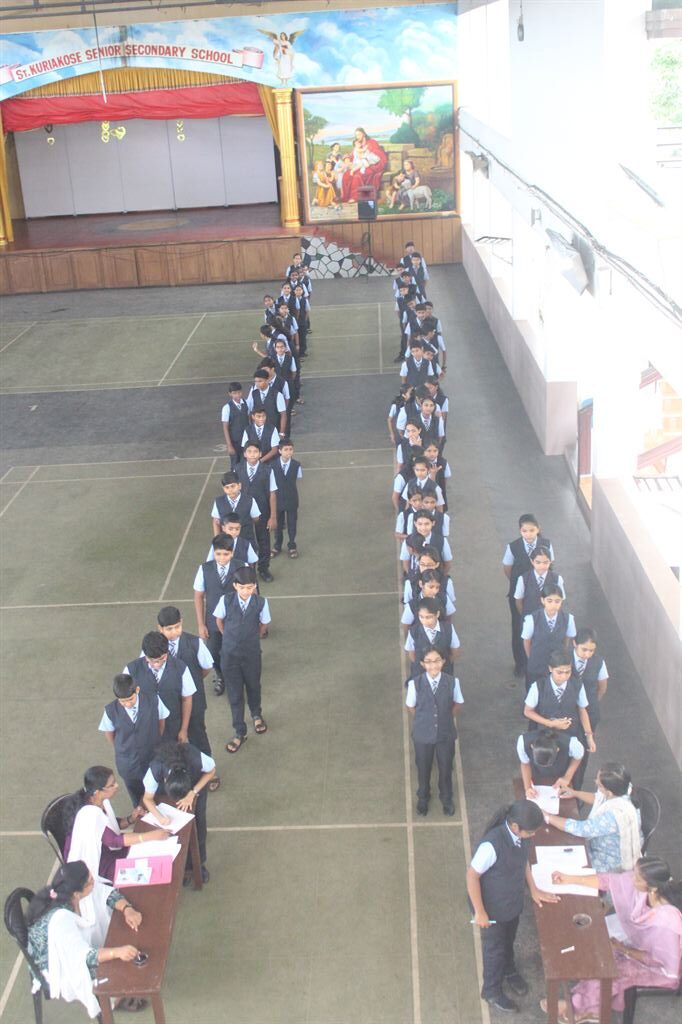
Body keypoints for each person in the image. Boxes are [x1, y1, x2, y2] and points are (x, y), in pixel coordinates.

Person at [543, 856, 682, 1023]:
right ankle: (586, 1004)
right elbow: (608, 881)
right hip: (637, 945)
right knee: (600, 952)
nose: (631, 878)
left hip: (659, 969)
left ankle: (580, 1007)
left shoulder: (667, 923)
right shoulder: (647, 889)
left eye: (637, 878)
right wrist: (568, 879)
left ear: (652, 888)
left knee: (610, 971)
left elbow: (658, 960)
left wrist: (623, 949)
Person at [467, 800, 558, 1013]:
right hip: (492, 909)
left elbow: (523, 860)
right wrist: (480, 912)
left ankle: (509, 969)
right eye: (531, 832)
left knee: (509, 939)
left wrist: (533, 889)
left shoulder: (522, 837)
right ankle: (491, 990)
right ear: (515, 827)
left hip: (511, 903)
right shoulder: (492, 845)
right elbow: (472, 876)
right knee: (494, 949)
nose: (533, 835)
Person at [26, 860, 142, 1018]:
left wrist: (127, 909)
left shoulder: (73, 890)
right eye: (90, 881)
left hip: (72, 947)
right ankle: (111, 999)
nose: (93, 881)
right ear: (76, 894)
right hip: (56, 963)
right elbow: (84, 957)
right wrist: (117, 952)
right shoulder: (61, 922)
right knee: (112, 966)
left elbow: (106, 893)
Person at [63, 766, 169, 882]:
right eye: (112, 785)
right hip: (96, 863)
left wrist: (130, 819)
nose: (117, 786)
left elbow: (110, 826)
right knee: (148, 874)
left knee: (147, 853)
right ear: (98, 792)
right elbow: (114, 840)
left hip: (108, 849)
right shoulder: (90, 814)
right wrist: (151, 836)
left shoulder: (98, 800)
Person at [156, 605, 220, 790]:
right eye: (169, 629)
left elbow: (206, 667)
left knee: (198, 736)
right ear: (160, 628)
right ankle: (177, 774)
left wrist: (191, 684)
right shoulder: (154, 647)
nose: (174, 632)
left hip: (195, 703)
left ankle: (208, 770)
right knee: (171, 740)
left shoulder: (195, 643)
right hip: (168, 706)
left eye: (177, 627)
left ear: (182, 623)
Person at [544, 763, 642, 872]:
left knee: (565, 865)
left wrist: (547, 816)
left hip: (609, 860)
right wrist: (574, 793)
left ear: (609, 792)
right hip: (600, 843)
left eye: (599, 785)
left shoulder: (615, 815)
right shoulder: (623, 789)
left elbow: (581, 829)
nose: (595, 781)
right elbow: (598, 798)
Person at [214, 565, 271, 753]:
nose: (246, 591)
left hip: (252, 654)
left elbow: (264, 625)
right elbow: (219, 621)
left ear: (254, 586)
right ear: (235, 586)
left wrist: (251, 638)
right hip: (229, 656)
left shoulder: (261, 603)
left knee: (254, 686)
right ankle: (240, 731)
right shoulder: (225, 601)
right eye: (242, 587)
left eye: (249, 587)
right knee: (235, 693)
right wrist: (229, 637)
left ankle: (256, 715)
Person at [142, 741, 215, 885]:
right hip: (167, 800)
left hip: (195, 791)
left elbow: (211, 771)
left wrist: (192, 793)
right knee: (176, 835)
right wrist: (160, 817)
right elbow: (147, 799)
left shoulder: (194, 757)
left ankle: (199, 864)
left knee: (199, 827)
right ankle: (183, 868)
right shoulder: (156, 767)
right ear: (165, 780)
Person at [406, 647, 463, 816]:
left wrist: (445, 717)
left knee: (445, 767)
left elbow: (458, 703)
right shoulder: (414, 684)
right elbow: (411, 707)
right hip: (423, 735)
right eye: (429, 662)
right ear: (422, 664)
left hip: (445, 734)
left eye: (437, 660)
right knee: (423, 768)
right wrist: (425, 720)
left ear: (443, 662)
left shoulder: (452, 682)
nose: (433, 665)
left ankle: (446, 798)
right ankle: (423, 798)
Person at [99, 674, 169, 805]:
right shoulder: (110, 711)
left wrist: (154, 740)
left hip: (152, 755)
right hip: (128, 763)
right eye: (122, 701)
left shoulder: (154, 700)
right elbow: (109, 733)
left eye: (130, 699)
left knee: (159, 790)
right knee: (135, 794)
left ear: (137, 690)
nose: (127, 704)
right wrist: (121, 748)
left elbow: (161, 722)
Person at [502, 514, 554, 677]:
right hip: (520, 595)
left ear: (538, 529)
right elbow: (507, 568)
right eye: (525, 531)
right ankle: (521, 663)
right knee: (519, 628)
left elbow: (551, 565)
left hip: (542, 594)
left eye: (532, 530)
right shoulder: (513, 547)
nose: (529, 534)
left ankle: (541, 661)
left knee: (542, 627)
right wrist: (519, 584)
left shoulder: (546, 544)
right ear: (520, 531)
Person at [123, 631, 196, 744]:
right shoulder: (131, 670)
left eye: (161, 659)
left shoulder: (181, 668)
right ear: (145, 655)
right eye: (152, 660)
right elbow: (125, 700)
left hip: (172, 729)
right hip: (143, 731)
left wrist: (184, 730)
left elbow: (187, 699)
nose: (157, 664)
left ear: (167, 652)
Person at [523, 649, 595, 748]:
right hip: (545, 737)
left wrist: (589, 736)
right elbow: (527, 711)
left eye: (568, 672)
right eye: (559, 672)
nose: (564, 676)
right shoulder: (538, 686)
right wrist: (550, 723)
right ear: (550, 669)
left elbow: (582, 710)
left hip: (570, 734)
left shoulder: (577, 685)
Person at [237, 441, 277, 583]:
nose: (252, 454)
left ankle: (263, 568)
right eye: (249, 451)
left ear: (260, 454)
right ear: (244, 454)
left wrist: (273, 516)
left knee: (263, 540)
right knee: (244, 540)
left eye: (255, 452)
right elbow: (234, 492)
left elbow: (272, 493)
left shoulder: (268, 470)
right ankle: (245, 569)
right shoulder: (237, 469)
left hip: (262, 511)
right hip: (243, 512)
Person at [522, 584, 576, 689]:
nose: (553, 605)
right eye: (549, 601)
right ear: (543, 600)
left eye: (557, 601)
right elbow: (526, 641)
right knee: (534, 689)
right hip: (537, 664)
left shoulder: (568, 619)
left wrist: (561, 653)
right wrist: (532, 657)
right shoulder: (532, 619)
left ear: (561, 601)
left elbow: (567, 639)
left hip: (557, 665)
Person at [517, 728, 585, 797]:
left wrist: (567, 777)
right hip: (536, 771)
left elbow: (578, 758)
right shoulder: (523, 743)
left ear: (557, 750)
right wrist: (528, 788)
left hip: (562, 769)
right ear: (532, 747)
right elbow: (525, 764)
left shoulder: (573, 745)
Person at [271, 437, 302, 558]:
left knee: (292, 523)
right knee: (278, 525)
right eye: (286, 449)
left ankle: (292, 545)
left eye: (290, 449)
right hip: (277, 500)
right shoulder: (272, 466)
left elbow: (297, 478)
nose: (288, 452)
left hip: (291, 499)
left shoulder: (296, 465)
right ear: (279, 451)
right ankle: (277, 546)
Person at [514, 546, 565, 618]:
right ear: (532, 561)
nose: (542, 566)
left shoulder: (557, 579)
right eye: (538, 562)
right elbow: (518, 601)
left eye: (545, 562)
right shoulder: (523, 579)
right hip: (529, 618)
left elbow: (560, 600)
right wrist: (525, 617)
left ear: (550, 561)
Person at [210, 469, 260, 542]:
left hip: (246, 540)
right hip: (226, 543)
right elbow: (216, 521)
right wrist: (217, 540)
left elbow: (256, 518)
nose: (230, 490)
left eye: (233, 486)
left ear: (239, 486)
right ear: (223, 489)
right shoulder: (218, 501)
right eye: (227, 487)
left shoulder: (250, 500)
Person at [221, 381, 250, 468]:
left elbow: (249, 419)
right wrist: (229, 445)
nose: (237, 395)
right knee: (235, 464)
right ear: (230, 394)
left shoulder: (247, 403)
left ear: (241, 392)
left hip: (246, 439)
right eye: (234, 393)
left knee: (246, 463)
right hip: (234, 441)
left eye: (239, 392)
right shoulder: (227, 408)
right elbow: (225, 427)